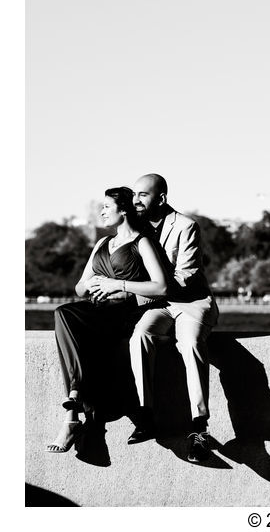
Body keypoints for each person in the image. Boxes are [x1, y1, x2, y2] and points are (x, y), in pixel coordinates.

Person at [46, 187, 168, 453]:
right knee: (63, 314)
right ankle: (74, 404)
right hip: (96, 310)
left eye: (106, 207)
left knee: (67, 318)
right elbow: (79, 288)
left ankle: (73, 412)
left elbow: (161, 287)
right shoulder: (102, 244)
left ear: (123, 210)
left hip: (123, 314)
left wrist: (118, 284)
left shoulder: (142, 242)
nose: (101, 212)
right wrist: (93, 284)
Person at [128, 173, 219, 464]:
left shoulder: (186, 225)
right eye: (134, 194)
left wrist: (139, 294)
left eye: (143, 195)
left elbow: (187, 275)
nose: (136, 200)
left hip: (191, 302)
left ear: (161, 198)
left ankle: (199, 428)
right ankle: (145, 415)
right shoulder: (135, 227)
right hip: (160, 305)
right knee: (141, 336)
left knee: (190, 342)